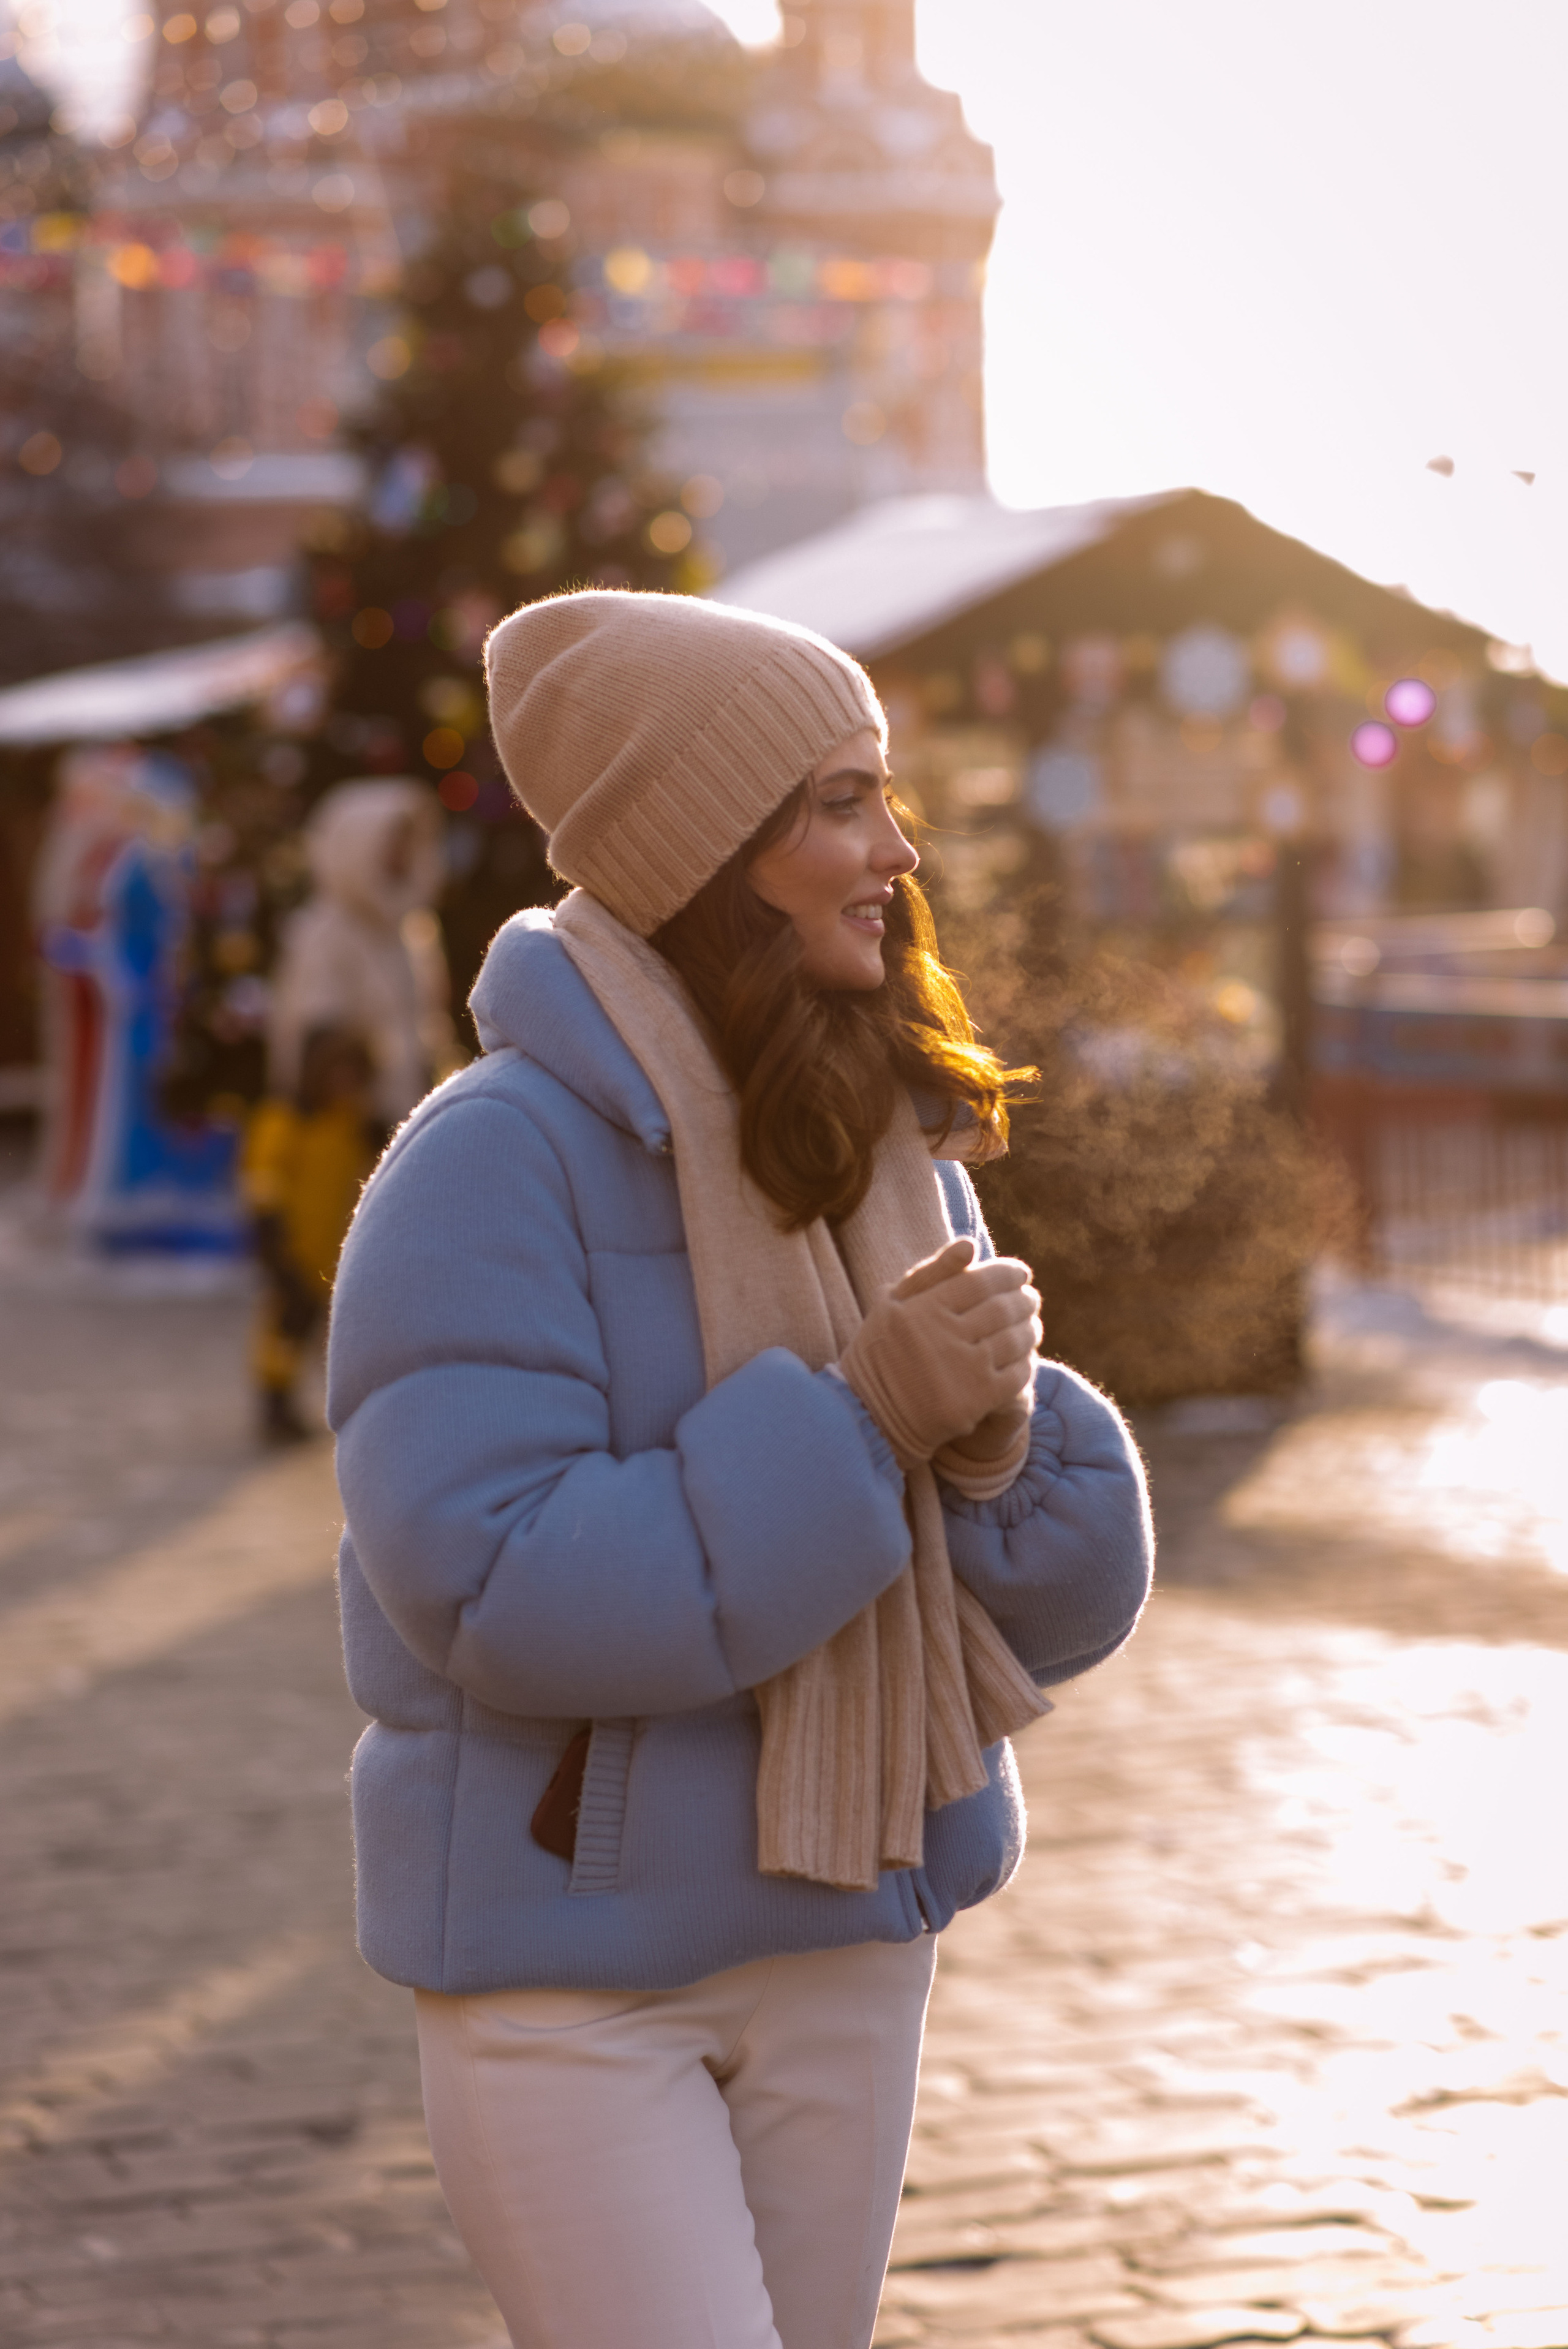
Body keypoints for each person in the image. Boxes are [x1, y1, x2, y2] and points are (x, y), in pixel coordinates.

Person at [328, 590, 1153, 2349]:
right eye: (841, 801)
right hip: (572, 1981)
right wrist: (864, 1422)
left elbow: (1043, 1610)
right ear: (715, 847)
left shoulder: (882, 1137)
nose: (896, 846)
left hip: (852, 1931)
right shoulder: (485, 1164)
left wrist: (1002, 1443)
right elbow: (499, 1587)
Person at [268, 775, 455, 1134]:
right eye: (390, 841)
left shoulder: (412, 928)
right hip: (348, 1122)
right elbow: (317, 1026)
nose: (400, 853)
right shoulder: (325, 931)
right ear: (355, 845)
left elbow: (428, 1015)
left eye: (406, 841)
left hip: (411, 1111)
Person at [243, 1023, 377, 1444]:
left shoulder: (351, 1123)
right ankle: (274, 1401)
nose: (345, 1083)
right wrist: (271, 1240)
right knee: (285, 1324)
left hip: (331, 1253)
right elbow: (262, 1182)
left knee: (320, 1331)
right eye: (338, 1072)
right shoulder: (285, 1120)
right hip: (291, 1247)